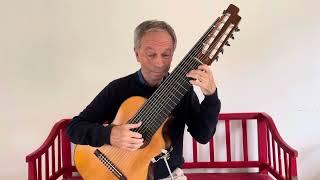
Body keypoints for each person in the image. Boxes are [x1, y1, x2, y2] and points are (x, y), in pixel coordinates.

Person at [67, 20, 221, 179]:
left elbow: (203, 136)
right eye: (151, 54)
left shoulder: (182, 91)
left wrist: (211, 96)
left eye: (166, 55)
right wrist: (110, 134)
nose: (159, 63)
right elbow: (74, 128)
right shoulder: (118, 89)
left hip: (168, 175)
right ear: (137, 54)